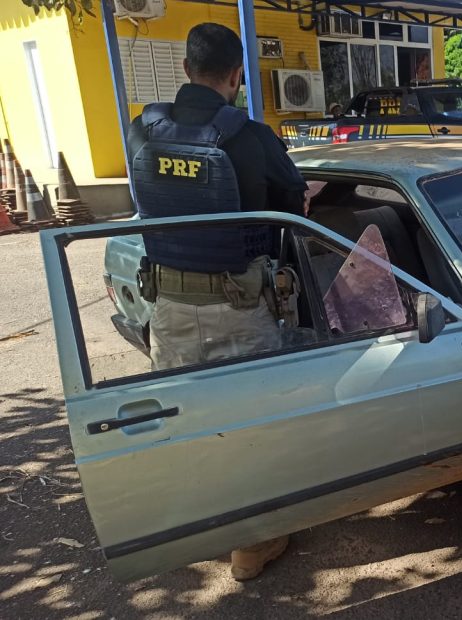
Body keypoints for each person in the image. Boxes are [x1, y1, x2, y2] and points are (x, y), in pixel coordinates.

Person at [126, 23, 307, 581]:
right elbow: (293, 204)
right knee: (250, 426)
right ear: (236, 76)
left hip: (168, 304)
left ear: (185, 70)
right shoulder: (249, 136)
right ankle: (251, 548)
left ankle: (203, 527)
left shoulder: (142, 131)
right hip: (240, 306)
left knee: (186, 422)